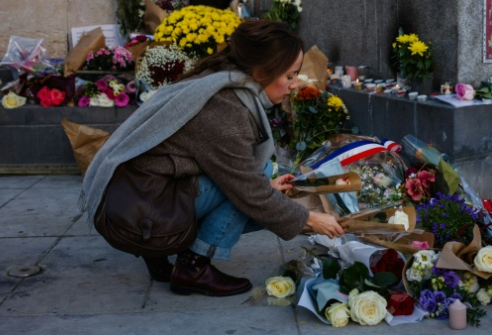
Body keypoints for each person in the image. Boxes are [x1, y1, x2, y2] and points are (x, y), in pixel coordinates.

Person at [80, 20, 344, 297]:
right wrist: (310, 219)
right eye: (289, 75)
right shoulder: (227, 109)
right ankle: (192, 267)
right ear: (260, 71)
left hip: (136, 196)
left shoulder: (219, 78)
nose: (293, 85)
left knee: (258, 177)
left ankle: (162, 255)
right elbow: (249, 192)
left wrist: (264, 187)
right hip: (139, 216)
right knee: (253, 180)